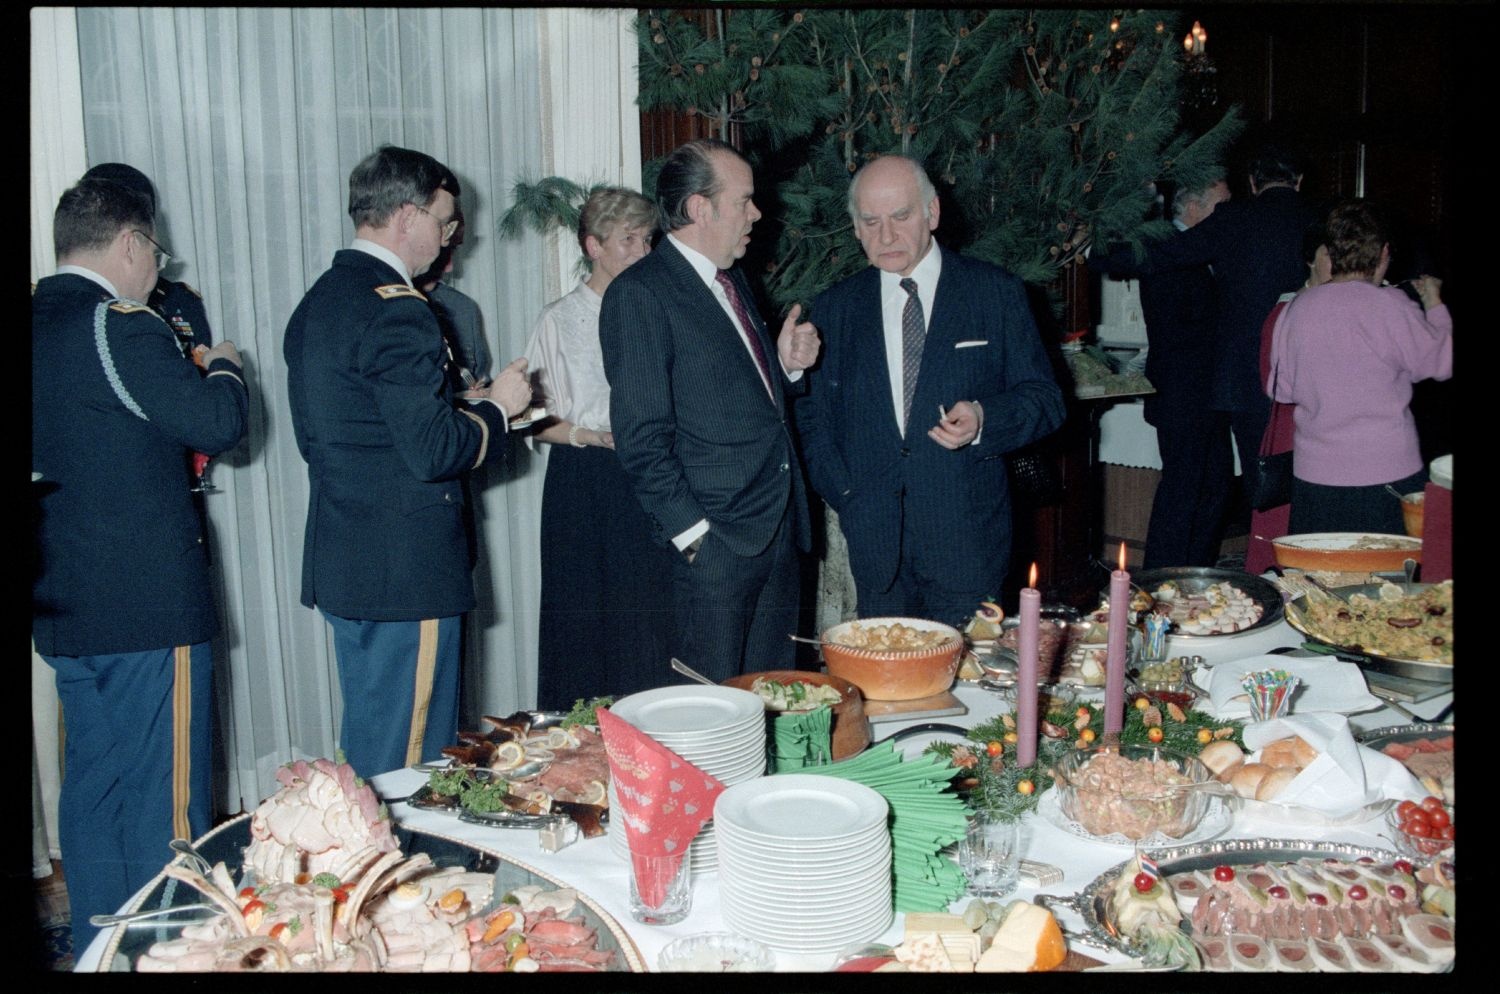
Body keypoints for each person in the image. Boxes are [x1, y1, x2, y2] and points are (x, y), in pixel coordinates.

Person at [32, 173, 248, 947]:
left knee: (93, 791)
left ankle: (101, 948)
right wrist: (223, 362)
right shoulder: (120, 325)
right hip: (148, 610)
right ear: (129, 243)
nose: (158, 266)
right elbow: (216, 422)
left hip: (63, 603)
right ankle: (170, 950)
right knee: (168, 802)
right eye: (153, 249)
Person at [284, 145, 533, 778]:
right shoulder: (400, 310)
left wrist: (454, 406)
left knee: (371, 743)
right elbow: (433, 453)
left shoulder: (321, 299)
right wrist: (499, 409)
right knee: (415, 764)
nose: (449, 236)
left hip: (350, 559)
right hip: (406, 572)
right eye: (445, 221)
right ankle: (415, 877)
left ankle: (370, 871)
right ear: (405, 215)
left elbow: (338, 435)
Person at [795, 155, 1066, 626]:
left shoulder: (993, 293)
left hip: (967, 541)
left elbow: (1045, 398)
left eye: (900, 217)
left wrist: (984, 418)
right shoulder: (835, 308)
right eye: (870, 222)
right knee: (889, 691)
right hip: (876, 546)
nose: (886, 236)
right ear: (855, 228)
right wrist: (845, 491)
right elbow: (813, 417)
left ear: (932, 214)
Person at [599, 139, 821, 682]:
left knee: (774, 700)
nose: (757, 213)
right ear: (701, 208)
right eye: (744, 201)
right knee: (712, 715)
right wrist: (695, 538)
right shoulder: (641, 294)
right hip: (717, 547)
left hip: (774, 532)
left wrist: (785, 367)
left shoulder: (730, 278)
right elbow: (642, 437)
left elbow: (736, 397)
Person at [1091, 145, 1316, 505]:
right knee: (1310, 478)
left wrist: (1094, 253)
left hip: (1248, 375)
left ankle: (1266, 557)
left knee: (1265, 484)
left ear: (1252, 182)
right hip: (1315, 372)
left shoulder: (1235, 218)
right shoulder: (1320, 218)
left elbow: (1165, 255)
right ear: (1300, 181)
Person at [524, 188, 675, 707]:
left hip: (651, 473)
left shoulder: (662, 310)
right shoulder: (560, 319)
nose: (642, 251)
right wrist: (588, 435)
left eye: (647, 239)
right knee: (586, 620)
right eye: (627, 240)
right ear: (594, 245)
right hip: (586, 478)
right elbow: (530, 419)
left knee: (651, 618)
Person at [1268, 200, 1451, 534]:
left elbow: (1282, 389)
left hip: (1317, 473)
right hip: (1388, 468)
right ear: (1383, 253)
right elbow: (1441, 362)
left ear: (1331, 253)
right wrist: (1434, 304)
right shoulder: (1391, 305)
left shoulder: (1296, 308)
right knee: (1390, 576)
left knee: (1319, 575)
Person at [1137, 176, 1234, 569]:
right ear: (1195, 207)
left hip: (1203, 393)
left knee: (1212, 489)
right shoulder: (1170, 255)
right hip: (1184, 393)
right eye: (1221, 206)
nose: (1228, 215)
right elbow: (1182, 328)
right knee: (1184, 492)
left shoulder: (1195, 253)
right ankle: (1164, 577)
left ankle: (1195, 572)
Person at [1244, 222, 1332, 574]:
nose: (1338, 266)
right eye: (1329, 256)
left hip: (1328, 433)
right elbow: (1272, 380)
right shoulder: (1287, 310)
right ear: (1310, 260)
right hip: (1291, 429)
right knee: (1283, 526)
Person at [416, 206, 491, 389]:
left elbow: (479, 380)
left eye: (454, 251)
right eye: (443, 251)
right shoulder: (382, 305)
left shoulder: (463, 309)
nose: (449, 267)